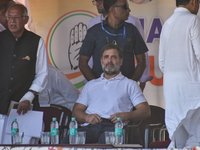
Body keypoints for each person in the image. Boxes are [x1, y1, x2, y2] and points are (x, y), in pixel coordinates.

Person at [62, 43, 151, 144]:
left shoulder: (130, 84)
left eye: (114, 57)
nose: (109, 61)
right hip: (90, 127)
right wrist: (87, 117)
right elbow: (76, 111)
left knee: (105, 145)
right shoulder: (91, 85)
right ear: (101, 61)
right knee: (65, 142)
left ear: (121, 61)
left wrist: (125, 116)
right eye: (106, 57)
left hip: (113, 127)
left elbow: (145, 111)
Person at [0, 3, 48, 144]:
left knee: (24, 145)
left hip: (25, 107)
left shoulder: (36, 41)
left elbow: (42, 74)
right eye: (9, 17)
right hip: (1, 105)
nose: (12, 21)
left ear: (26, 19)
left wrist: (28, 96)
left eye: (16, 17)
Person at [159, 0, 200, 148]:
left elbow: (162, 63)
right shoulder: (193, 20)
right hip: (193, 91)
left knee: (178, 138)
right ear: (194, 2)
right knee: (197, 136)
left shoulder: (167, 23)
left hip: (172, 91)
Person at [79, 0, 148, 88]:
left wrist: (130, 85)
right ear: (113, 9)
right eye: (125, 6)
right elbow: (82, 63)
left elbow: (142, 61)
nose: (129, 10)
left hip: (126, 90)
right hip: (101, 90)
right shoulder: (94, 31)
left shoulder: (132, 30)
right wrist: (96, 85)